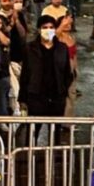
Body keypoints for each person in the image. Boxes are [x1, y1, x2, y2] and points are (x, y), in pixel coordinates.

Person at [18, 15, 73, 144]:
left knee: (55, 134)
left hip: (56, 97)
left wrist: (63, 91)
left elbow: (67, 73)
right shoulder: (29, 48)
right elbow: (25, 74)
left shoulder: (62, 48)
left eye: (51, 27)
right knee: (32, 133)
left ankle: (53, 159)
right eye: (45, 27)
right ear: (39, 29)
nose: (48, 30)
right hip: (36, 97)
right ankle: (30, 158)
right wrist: (23, 98)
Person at [0, 0, 28, 115]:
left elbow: (23, 34)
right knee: (11, 86)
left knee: (19, 84)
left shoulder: (19, 15)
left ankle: (18, 107)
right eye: (4, 1)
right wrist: (11, 22)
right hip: (4, 56)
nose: (8, 3)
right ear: (0, 3)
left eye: (9, 0)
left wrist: (16, 20)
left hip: (18, 53)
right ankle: (14, 111)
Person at [56, 14, 78, 117]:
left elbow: (74, 55)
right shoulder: (58, 37)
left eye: (69, 24)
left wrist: (76, 70)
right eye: (65, 23)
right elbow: (51, 36)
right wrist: (61, 25)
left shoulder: (71, 37)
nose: (68, 25)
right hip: (60, 70)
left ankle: (68, 120)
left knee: (71, 95)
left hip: (71, 70)